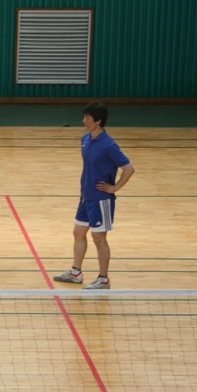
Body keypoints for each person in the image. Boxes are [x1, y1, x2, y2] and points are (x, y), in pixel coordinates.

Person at [53, 102, 135, 290]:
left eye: (87, 118)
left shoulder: (109, 145)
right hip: (86, 197)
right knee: (78, 233)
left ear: (98, 121)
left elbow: (129, 169)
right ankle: (75, 272)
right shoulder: (85, 139)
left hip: (101, 199)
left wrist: (114, 188)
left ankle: (103, 279)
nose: (84, 121)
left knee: (98, 238)